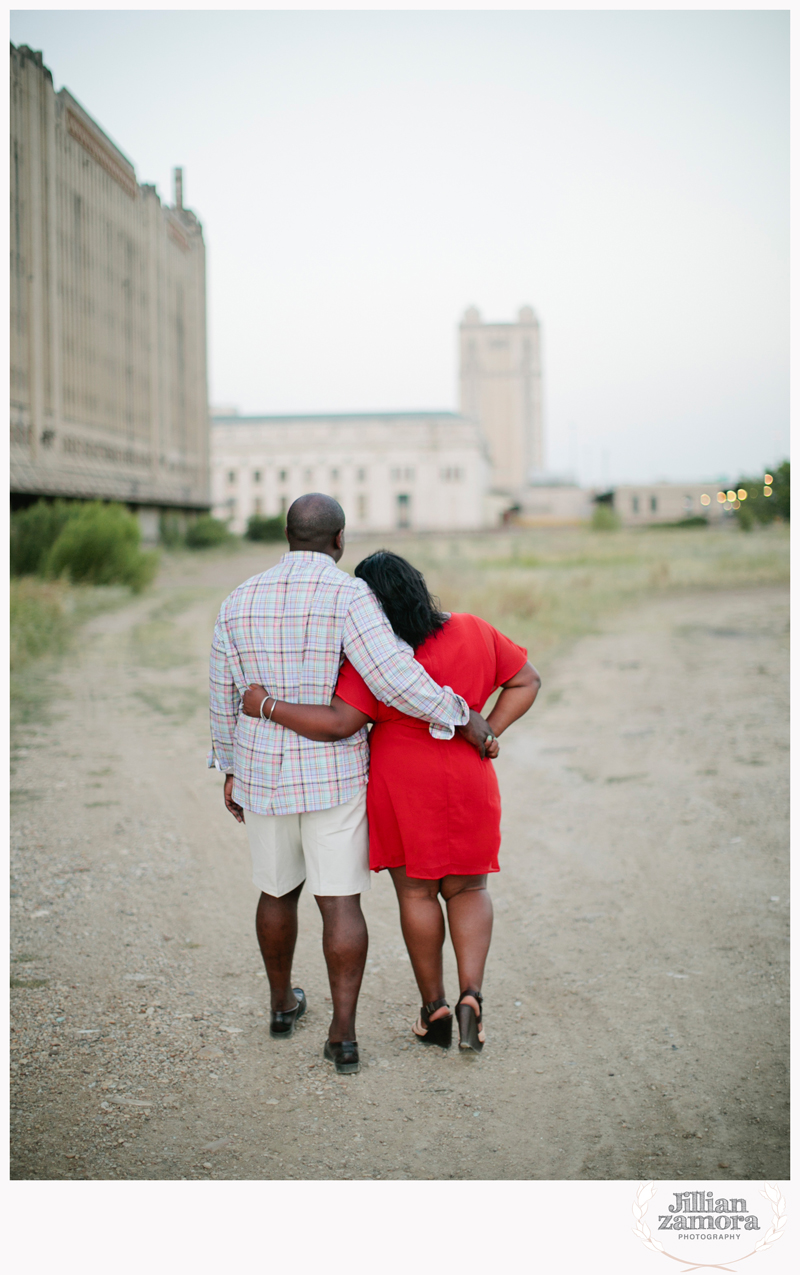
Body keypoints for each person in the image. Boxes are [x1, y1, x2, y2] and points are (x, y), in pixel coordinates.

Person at [208, 496, 494, 1075]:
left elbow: (222, 688)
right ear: (338, 541)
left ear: (287, 535)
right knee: (339, 900)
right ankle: (343, 1035)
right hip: (333, 776)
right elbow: (392, 675)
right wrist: (459, 714)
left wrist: (230, 764)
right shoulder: (349, 595)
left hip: (263, 772)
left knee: (275, 890)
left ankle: (281, 1005)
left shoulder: (238, 600)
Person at [242, 550, 540, 1053]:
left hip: (402, 781)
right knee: (469, 889)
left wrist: (266, 705)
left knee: (418, 895)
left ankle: (436, 1007)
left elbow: (341, 723)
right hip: (469, 773)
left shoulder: (375, 655)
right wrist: (489, 731)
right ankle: (472, 996)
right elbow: (526, 680)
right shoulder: (474, 628)